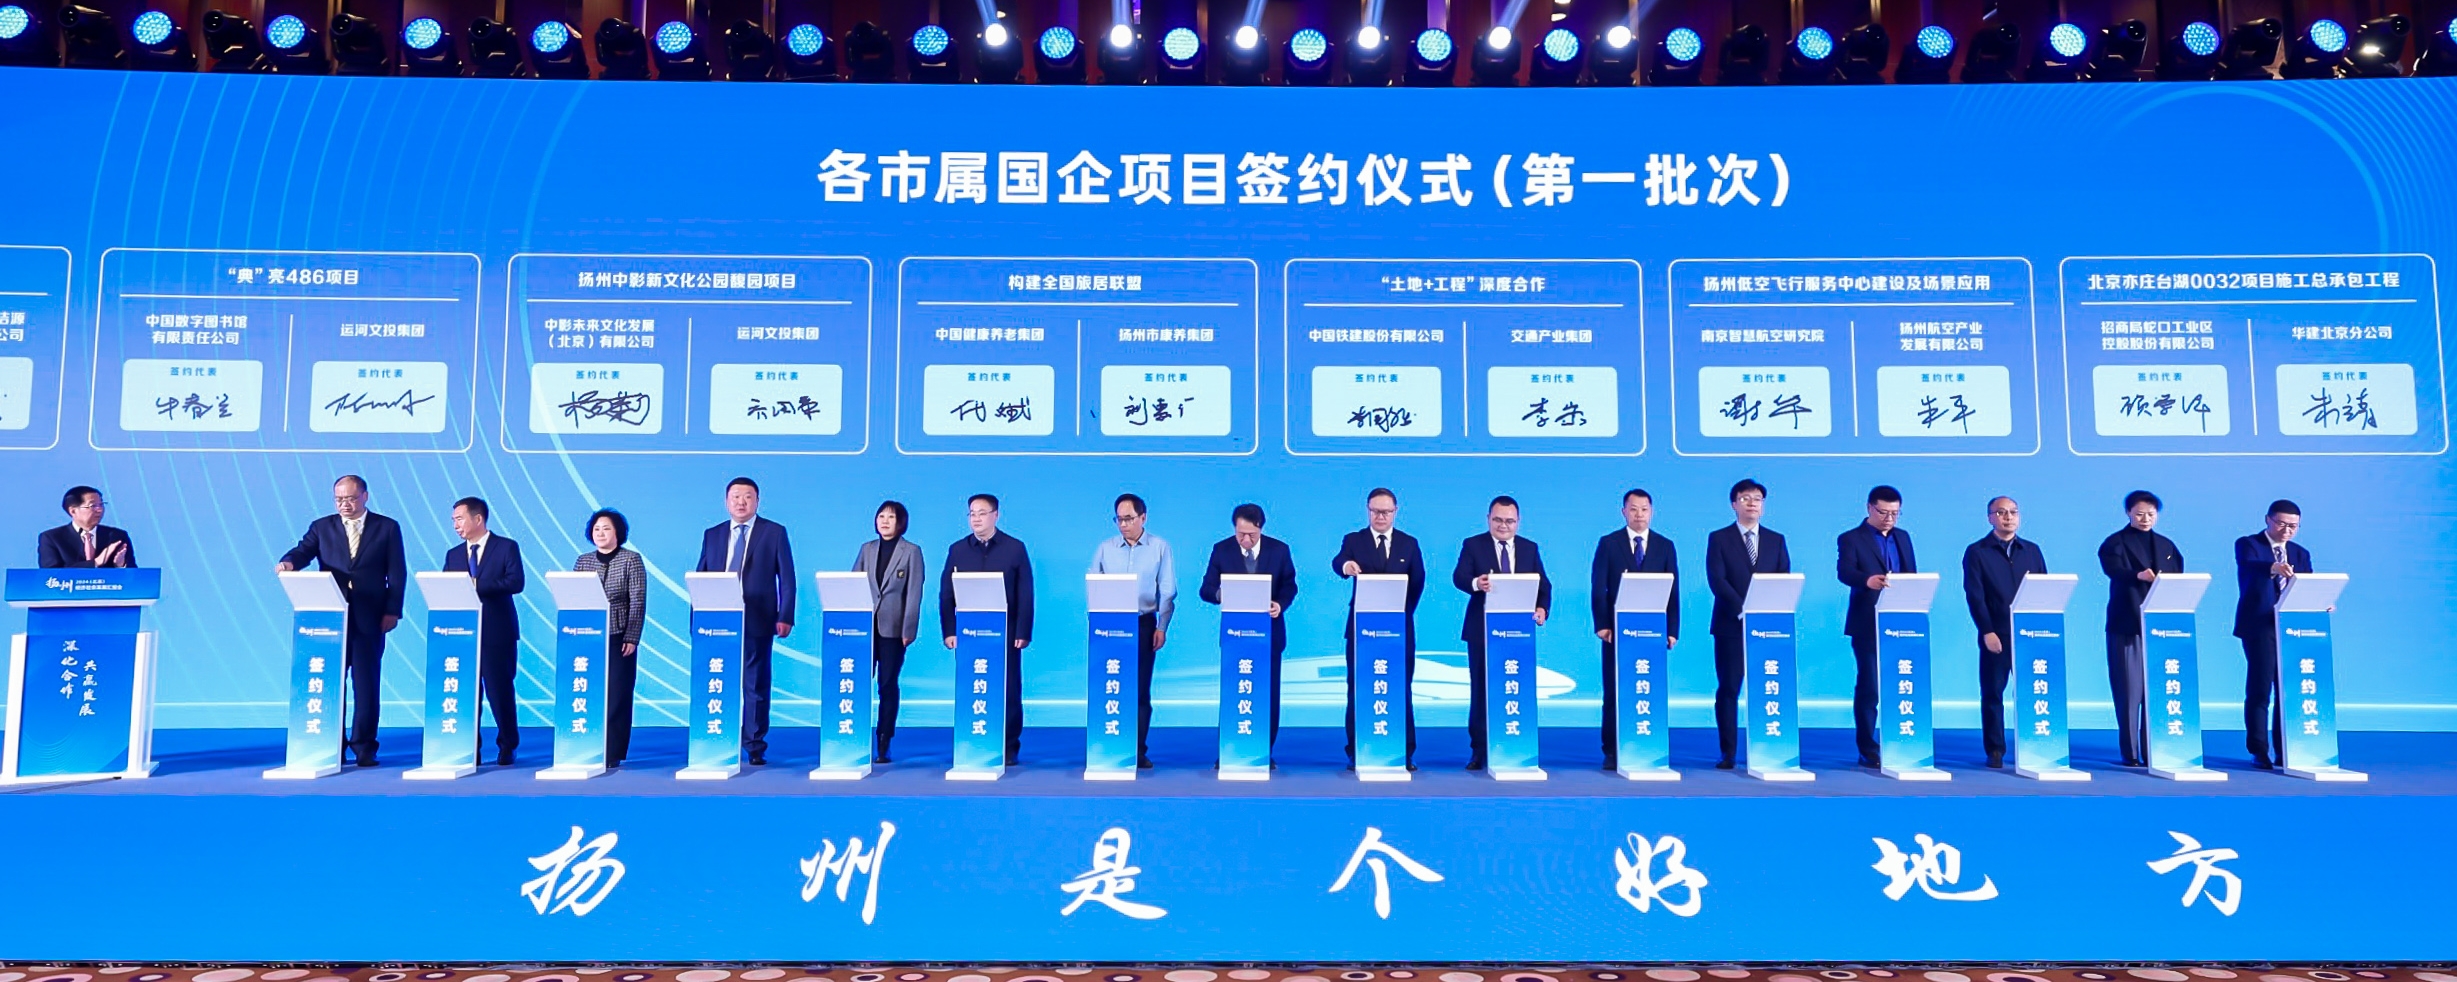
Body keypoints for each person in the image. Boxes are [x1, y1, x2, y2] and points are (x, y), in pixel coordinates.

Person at [275, 475, 408, 767]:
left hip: (370, 617)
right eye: (339, 499)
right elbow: (303, 551)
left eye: (350, 498)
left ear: (365, 496)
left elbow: (397, 572)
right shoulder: (322, 527)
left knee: (366, 683)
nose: (344, 504)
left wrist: (393, 611)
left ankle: (364, 747)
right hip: (330, 617)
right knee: (330, 682)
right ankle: (330, 744)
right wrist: (289, 562)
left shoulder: (387, 527)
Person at [695, 477, 796, 766]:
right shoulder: (712, 534)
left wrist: (785, 615)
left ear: (757, 501)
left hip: (758, 618)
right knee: (718, 681)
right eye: (735, 496)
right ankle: (718, 737)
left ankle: (754, 745)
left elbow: (787, 578)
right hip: (717, 620)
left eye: (747, 496)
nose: (741, 502)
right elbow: (701, 576)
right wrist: (696, 616)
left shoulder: (773, 532)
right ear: (726, 501)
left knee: (755, 685)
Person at [1451, 495, 1551, 771]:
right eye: (1497, 520)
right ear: (1488, 519)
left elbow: (1544, 585)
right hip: (1482, 631)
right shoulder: (1473, 545)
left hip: (1519, 633)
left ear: (1518, 522)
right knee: (1481, 690)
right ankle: (1479, 750)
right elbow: (1459, 576)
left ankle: (1515, 743)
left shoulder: (1529, 548)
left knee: (1515, 686)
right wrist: (1476, 583)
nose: (1503, 525)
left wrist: (1542, 608)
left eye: (1509, 521)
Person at [1332, 487, 1427, 770]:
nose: (1380, 516)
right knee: (1358, 688)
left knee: (1400, 687)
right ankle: (1357, 750)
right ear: (1368, 510)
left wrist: (1400, 615)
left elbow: (1418, 582)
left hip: (1398, 630)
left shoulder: (1409, 543)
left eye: (1386, 511)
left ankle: (1404, 752)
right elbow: (1338, 562)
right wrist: (1346, 566)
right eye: (1375, 511)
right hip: (1362, 631)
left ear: (1396, 511)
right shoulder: (1354, 540)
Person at [941, 493, 1035, 766]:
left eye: (982, 513)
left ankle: (1009, 746)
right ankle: (972, 741)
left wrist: (1022, 631)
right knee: (971, 686)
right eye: (972, 513)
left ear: (996, 515)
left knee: (1008, 689)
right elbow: (946, 594)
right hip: (968, 634)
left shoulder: (1014, 548)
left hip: (1005, 633)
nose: (976, 518)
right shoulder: (957, 550)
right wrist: (949, 630)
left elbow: (1025, 592)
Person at [1590, 487, 1679, 771]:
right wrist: (1602, 625)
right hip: (1616, 632)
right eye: (1633, 509)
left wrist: (1672, 629)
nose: (1639, 514)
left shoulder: (1665, 545)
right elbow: (1598, 587)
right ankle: (1611, 750)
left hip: (1653, 633)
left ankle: (1647, 744)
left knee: (1647, 688)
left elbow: (1673, 590)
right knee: (1614, 691)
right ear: (1623, 512)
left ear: (1651, 512)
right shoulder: (1609, 543)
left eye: (1644, 509)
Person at [1198, 503, 1299, 750]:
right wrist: (1221, 594)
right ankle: (1229, 750)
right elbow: (1206, 589)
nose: (1245, 540)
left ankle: (1265, 751)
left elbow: (1290, 585)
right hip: (1235, 636)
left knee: (1268, 692)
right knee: (1234, 691)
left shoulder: (1279, 550)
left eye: (1251, 535)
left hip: (1269, 633)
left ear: (1261, 528)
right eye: (1240, 534)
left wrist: (1280, 604)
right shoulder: (1222, 550)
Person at [1704, 478, 1788, 770]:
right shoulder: (1719, 538)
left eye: (1757, 499)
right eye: (1745, 498)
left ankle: (1769, 748)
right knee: (1729, 688)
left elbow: (1783, 578)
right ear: (1734, 504)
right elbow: (1717, 580)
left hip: (1768, 627)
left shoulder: (1776, 540)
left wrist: (1764, 611)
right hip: (1730, 625)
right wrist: (1745, 609)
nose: (1752, 503)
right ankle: (1728, 752)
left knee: (1768, 687)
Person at [2098, 489, 2184, 768]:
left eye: (2150, 514)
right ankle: (2131, 751)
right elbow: (2112, 570)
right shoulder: (2115, 542)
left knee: (2156, 690)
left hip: (2160, 626)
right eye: (2139, 514)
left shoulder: (2167, 545)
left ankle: (2154, 749)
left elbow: (2179, 576)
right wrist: (2137, 575)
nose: (2145, 519)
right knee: (2128, 690)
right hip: (2127, 624)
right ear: (2128, 513)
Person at [1090, 493, 1177, 768]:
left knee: (1139, 689)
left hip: (1142, 624)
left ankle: (1137, 750)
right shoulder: (1105, 548)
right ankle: (1108, 744)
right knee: (1109, 684)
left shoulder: (1160, 547)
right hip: (1109, 625)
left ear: (1143, 517)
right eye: (1119, 519)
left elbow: (1168, 590)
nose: (1123, 525)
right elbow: (1093, 585)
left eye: (1128, 518)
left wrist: (1162, 626)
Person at [1960, 496, 2047, 769]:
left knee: (2033, 691)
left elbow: (2044, 590)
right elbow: (1975, 595)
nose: (2008, 517)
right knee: (1993, 693)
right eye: (2001, 512)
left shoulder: (2032, 550)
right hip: (1996, 634)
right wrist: (1987, 630)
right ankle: (1995, 749)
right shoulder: (1977, 551)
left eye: (2013, 512)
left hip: (2029, 634)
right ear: (1990, 518)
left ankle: (2034, 746)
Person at [1837, 485, 1918, 770]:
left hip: (1901, 623)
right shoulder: (1851, 538)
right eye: (1883, 512)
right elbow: (1844, 572)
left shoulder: (1903, 537)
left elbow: (1911, 575)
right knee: (1870, 686)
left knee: (1902, 684)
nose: (1889, 519)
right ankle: (1868, 748)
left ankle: (1902, 741)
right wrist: (1866, 580)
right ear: (1869, 508)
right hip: (1867, 623)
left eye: (1895, 513)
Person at [441, 496, 526, 766]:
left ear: (478, 519)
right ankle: (469, 748)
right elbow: (447, 589)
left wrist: (476, 585)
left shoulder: (506, 547)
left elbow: (515, 582)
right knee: (466, 692)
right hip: (462, 634)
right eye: (453, 520)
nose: (455, 525)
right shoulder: (453, 554)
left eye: (459, 519)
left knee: (499, 692)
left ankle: (507, 745)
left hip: (497, 632)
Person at [2233, 499, 2313, 770]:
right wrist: (2273, 567)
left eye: (2293, 526)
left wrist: (2321, 600)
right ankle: (2258, 750)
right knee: (2260, 689)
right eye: (2281, 524)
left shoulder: (2300, 553)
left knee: (2287, 690)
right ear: (2267, 519)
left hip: (2290, 629)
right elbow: (2249, 565)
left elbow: (2308, 585)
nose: (2286, 530)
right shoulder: (2249, 544)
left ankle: (2284, 750)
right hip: (2259, 627)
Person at [573, 508, 646, 768]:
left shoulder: (631, 560)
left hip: (619, 635)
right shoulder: (583, 561)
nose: (600, 533)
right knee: (589, 690)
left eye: (606, 528)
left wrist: (632, 636)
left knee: (617, 693)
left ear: (618, 533)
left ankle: (612, 751)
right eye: (596, 529)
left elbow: (638, 600)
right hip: (588, 636)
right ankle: (586, 744)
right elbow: (573, 597)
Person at [855, 500, 925, 763]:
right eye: (881, 516)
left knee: (886, 684)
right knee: (858, 681)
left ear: (901, 522)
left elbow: (914, 593)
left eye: (891, 517)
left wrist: (909, 628)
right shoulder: (867, 549)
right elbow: (852, 582)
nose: (885, 521)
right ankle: (853, 735)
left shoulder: (912, 551)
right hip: (864, 628)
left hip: (894, 629)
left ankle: (884, 739)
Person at [38, 486, 136, 569]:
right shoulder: (52, 538)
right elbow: (51, 574)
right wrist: (95, 563)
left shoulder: (116, 536)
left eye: (101, 504)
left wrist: (120, 565)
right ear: (73, 511)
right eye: (93, 505)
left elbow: (134, 575)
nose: (99, 510)